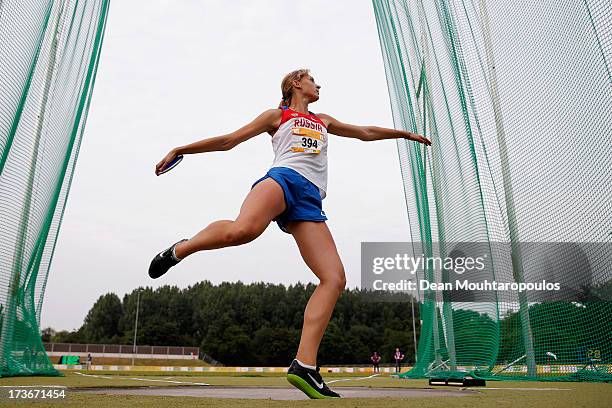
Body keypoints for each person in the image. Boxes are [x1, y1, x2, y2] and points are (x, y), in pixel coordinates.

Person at [149, 69, 431, 399]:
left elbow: (365, 131)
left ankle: (305, 366)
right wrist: (180, 148)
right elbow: (229, 141)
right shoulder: (277, 116)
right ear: (296, 83)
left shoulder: (323, 119)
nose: (319, 84)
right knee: (243, 230)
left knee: (335, 278)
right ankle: (181, 249)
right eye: (313, 79)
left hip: (309, 197)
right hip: (283, 179)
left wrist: (405, 135)